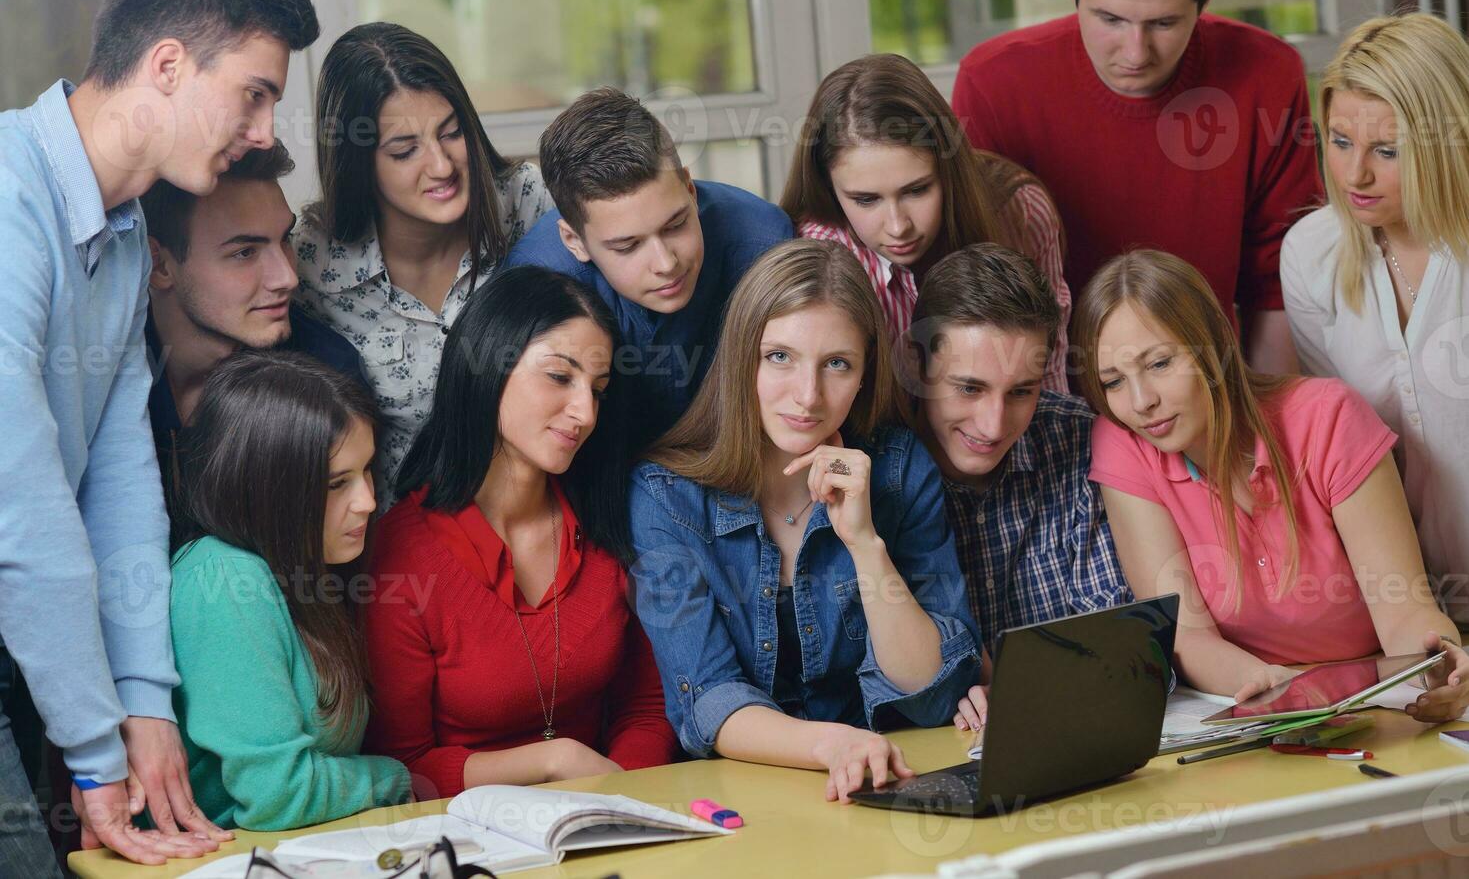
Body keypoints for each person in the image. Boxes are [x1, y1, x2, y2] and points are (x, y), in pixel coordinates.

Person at [0, 0, 317, 869]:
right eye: (253, 94)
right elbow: (24, 508)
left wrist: (143, 698)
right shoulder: (10, 204)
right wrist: (101, 751)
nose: (264, 131)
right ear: (168, 65)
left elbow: (118, 475)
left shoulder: (128, 227)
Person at [628, 239, 981, 803]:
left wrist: (864, 542)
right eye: (780, 357)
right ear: (743, 358)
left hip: (889, 782)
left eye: (837, 364)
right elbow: (709, 702)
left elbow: (930, 691)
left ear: (865, 373)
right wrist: (834, 745)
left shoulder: (896, 469)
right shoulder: (667, 495)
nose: (808, 396)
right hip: (745, 800)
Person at [1075, 249, 1469, 720]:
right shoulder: (1123, 443)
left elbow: (1403, 608)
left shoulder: (1329, 418)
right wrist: (1291, 692)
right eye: (1114, 382)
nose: (1141, 402)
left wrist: (1436, 663)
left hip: (1375, 694)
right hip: (1249, 700)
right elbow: (1186, 633)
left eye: (1159, 363)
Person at [950, 0, 1320, 374]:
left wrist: (1266, 425)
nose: (1135, 52)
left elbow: (1277, 282)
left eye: (1163, 23)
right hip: (1044, 391)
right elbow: (972, 288)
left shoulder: (1268, 75)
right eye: (1110, 20)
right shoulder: (993, 83)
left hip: (1208, 389)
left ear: (1206, 1)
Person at [365, 266, 677, 800]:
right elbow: (402, 766)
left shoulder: (611, 519)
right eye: (560, 376)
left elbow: (646, 708)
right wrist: (552, 761)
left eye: (598, 390)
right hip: (466, 838)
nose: (584, 412)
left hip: (610, 819)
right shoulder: (402, 554)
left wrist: (622, 806)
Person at [292, 22, 552, 496]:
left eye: (451, 133)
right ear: (358, 164)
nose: (441, 165)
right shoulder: (310, 262)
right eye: (405, 150)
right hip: (406, 542)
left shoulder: (528, 204)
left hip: (538, 511)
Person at [169, 352, 411, 829]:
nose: (367, 501)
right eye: (337, 483)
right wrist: (397, 778)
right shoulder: (224, 580)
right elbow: (277, 796)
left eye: (366, 472)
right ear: (270, 487)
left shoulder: (301, 569)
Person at [1281, 13, 1469, 624]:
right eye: (1339, 141)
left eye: (1387, 151)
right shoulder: (1311, 254)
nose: (1355, 174)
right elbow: (1344, 454)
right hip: (1414, 613)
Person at [908, 244, 1130, 733]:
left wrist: (1030, 691)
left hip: (1081, 736)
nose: (992, 425)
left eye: (1020, 392)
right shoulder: (882, 473)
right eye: (969, 388)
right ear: (918, 366)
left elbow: (1124, 643)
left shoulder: (1080, 440)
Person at [503, 88, 793, 450]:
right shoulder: (537, 281)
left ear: (689, 188)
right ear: (574, 241)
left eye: (676, 225)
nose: (666, 263)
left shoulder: (764, 243)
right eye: (628, 246)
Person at [784, 54, 1071, 391]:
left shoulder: (1019, 213)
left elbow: (1049, 382)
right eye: (866, 200)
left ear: (950, 170)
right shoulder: (825, 257)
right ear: (828, 188)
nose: (897, 226)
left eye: (917, 190)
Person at [142, 139, 366, 539]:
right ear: (159, 264)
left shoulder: (327, 372)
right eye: (245, 252)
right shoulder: (104, 383)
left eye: (285, 240)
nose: (288, 278)